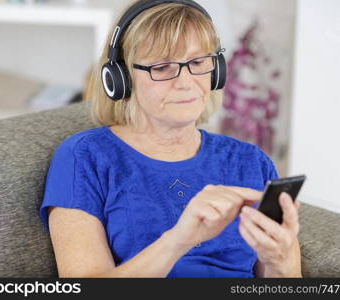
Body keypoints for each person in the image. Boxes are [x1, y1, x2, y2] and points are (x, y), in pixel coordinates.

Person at [39, 0, 302, 278]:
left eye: (198, 62)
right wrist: (178, 240)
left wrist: (280, 260)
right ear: (121, 78)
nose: (186, 81)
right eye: (162, 67)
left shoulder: (251, 161)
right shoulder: (85, 157)